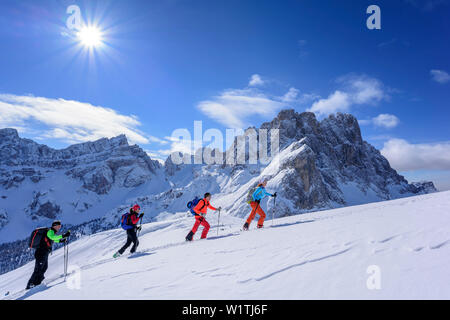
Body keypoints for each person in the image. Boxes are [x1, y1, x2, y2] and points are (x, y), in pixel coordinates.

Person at [26, 220, 70, 290]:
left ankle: (37, 283)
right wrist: (63, 236)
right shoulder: (50, 231)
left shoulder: (51, 232)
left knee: (44, 268)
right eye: (58, 226)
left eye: (60, 226)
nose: (59, 228)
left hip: (44, 252)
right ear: (55, 226)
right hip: (41, 252)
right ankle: (31, 285)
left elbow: (52, 239)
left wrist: (61, 240)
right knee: (38, 269)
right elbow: (52, 237)